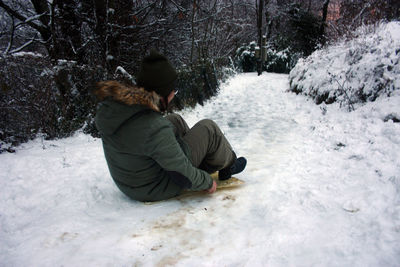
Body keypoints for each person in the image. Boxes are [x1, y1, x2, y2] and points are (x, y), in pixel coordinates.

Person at [94, 50, 246, 202]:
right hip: (154, 187)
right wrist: (205, 181)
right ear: (162, 94)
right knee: (208, 128)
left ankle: (199, 158)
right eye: (171, 90)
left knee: (175, 119)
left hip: (129, 182)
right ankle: (229, 164)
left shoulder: (116, 108)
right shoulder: (154, 126)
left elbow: (149, 135)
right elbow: (181, 174)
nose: (174, 93)